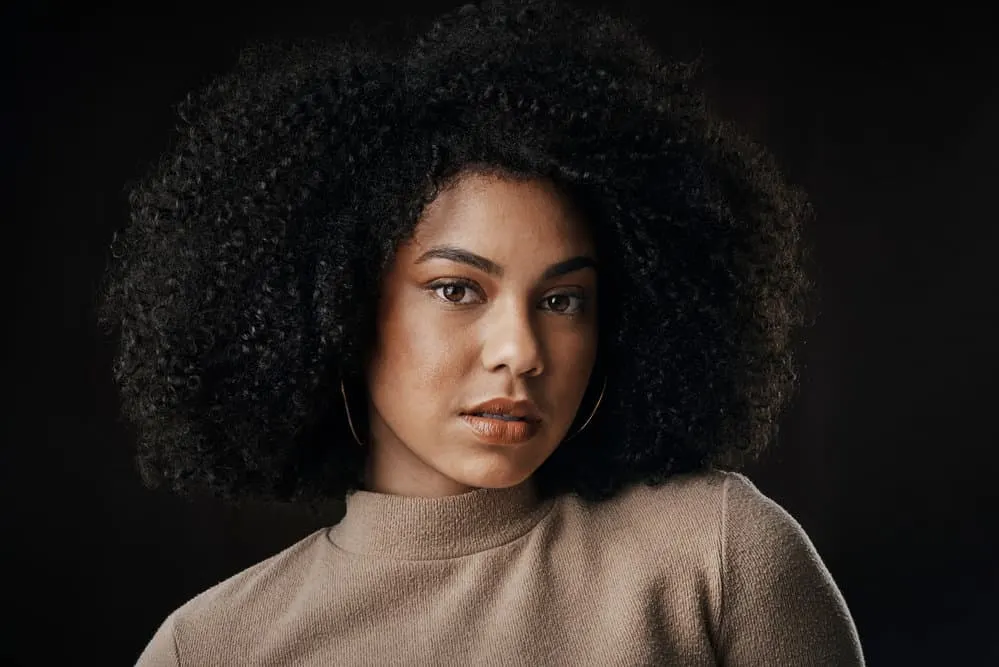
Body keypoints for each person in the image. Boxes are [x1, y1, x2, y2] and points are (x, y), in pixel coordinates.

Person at [97, 0, 865, 664]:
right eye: (457, 288)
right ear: (339, 303)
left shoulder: (718, 557)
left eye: (562, 300)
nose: (521, 352)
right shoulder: (210, 647)